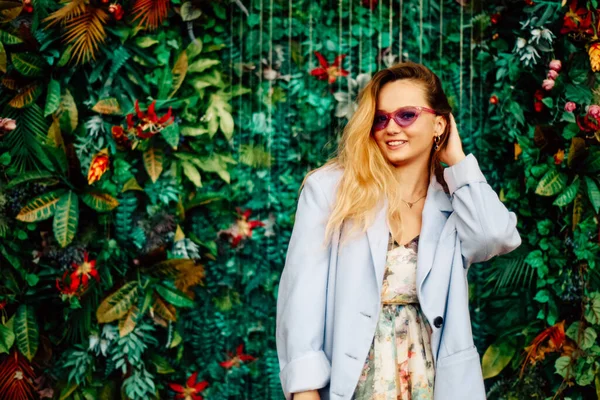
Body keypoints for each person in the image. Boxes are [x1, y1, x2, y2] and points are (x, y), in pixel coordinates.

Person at [275, 61, 522, 400]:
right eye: (381, 118)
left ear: (439, 123)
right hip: (357, 382)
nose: (391, 127)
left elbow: (496, 237)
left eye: (406, 115)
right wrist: (305, 392)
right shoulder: (331, 190)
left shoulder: (455, 200)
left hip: (434, 383)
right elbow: (301, 300)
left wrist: (458, 159)